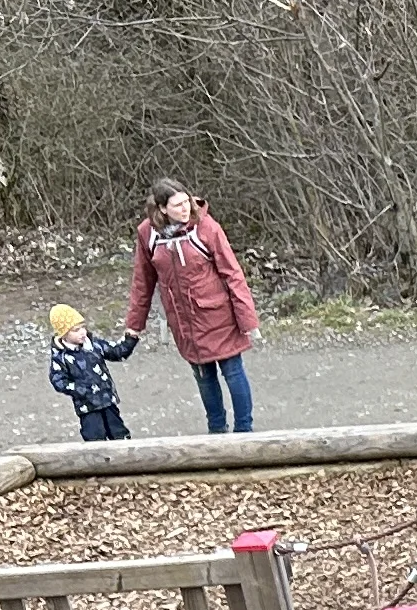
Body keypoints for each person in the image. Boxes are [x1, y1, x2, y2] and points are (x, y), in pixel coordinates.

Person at [123, 177, 261, 434]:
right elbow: (143, 282)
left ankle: (244, 431)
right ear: (162, 208)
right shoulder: (147, 234)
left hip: (218, 314)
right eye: (177, 205)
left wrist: (248, 319)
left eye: (186, 202)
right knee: (203, 377)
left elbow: (232, 273)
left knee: (233, 371)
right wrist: (134, 326)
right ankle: (216, 431)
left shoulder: (206, 227)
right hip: (183, 320)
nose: (185, 208)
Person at [42, 303, 136, 443]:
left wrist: (131, 339)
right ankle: (98, 456)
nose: (82, 332)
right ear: (64, 334)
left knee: (119, 433)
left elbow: (117, 352)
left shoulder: (93, 345)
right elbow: (58, 380)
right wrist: (78, 389)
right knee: (94, 437)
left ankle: (126, 454)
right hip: (87, 406)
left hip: (107, 399)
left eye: (83, 327)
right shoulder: (61, 356)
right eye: (76, 330)